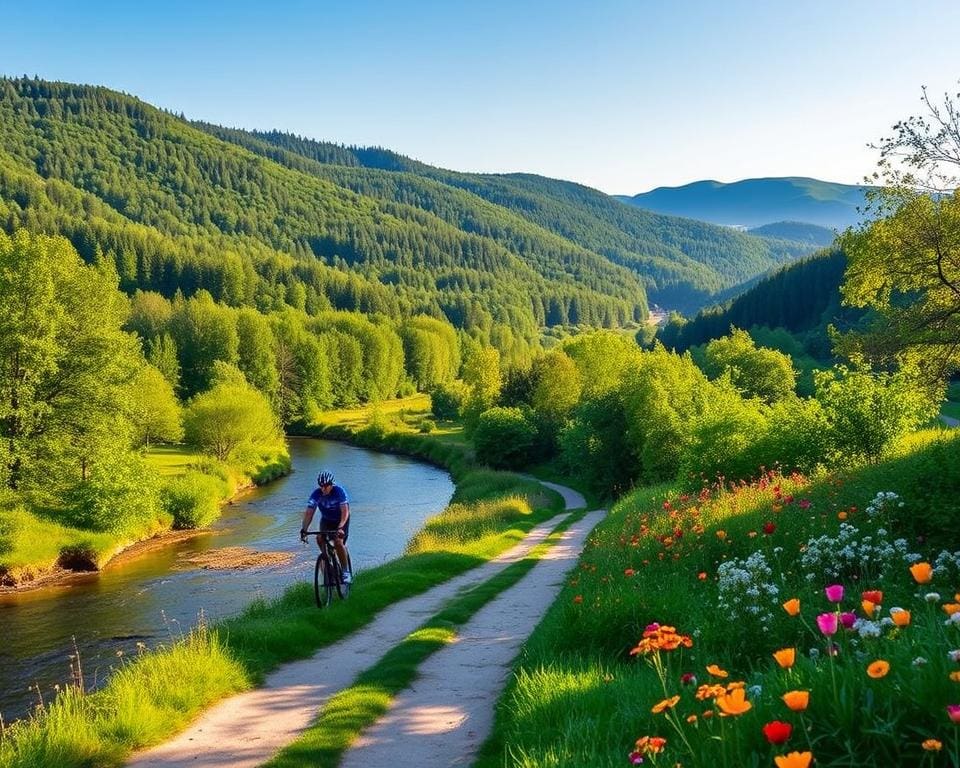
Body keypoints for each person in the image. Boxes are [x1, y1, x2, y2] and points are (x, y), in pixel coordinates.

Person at [300, 470, 352, 584]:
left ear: (331, 484)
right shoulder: (316, 494)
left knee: (338, 542)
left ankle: (345, 571)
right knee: (319, 538)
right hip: (327, 520)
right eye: (321, 486)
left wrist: (340, 527)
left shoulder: (339, 492)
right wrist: (304, 529)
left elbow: (345, 511)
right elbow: (309, 513)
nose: (323, 489)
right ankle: (327, 563)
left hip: (341, 520)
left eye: (325, 486)